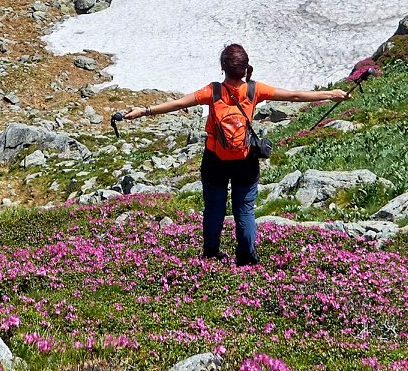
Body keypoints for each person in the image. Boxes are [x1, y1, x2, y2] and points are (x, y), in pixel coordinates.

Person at [116, 44, 358, 265]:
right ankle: (247, 259)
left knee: (214, 209)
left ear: (223, 68)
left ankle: (210, 254)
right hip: (245, 161)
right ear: (245, 68)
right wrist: (330, 94)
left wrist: (144, 111)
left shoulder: (213, 91)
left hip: (215, 160)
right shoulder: (254, 90)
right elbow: (294, 96)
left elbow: (180, 103)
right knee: (245, 210)